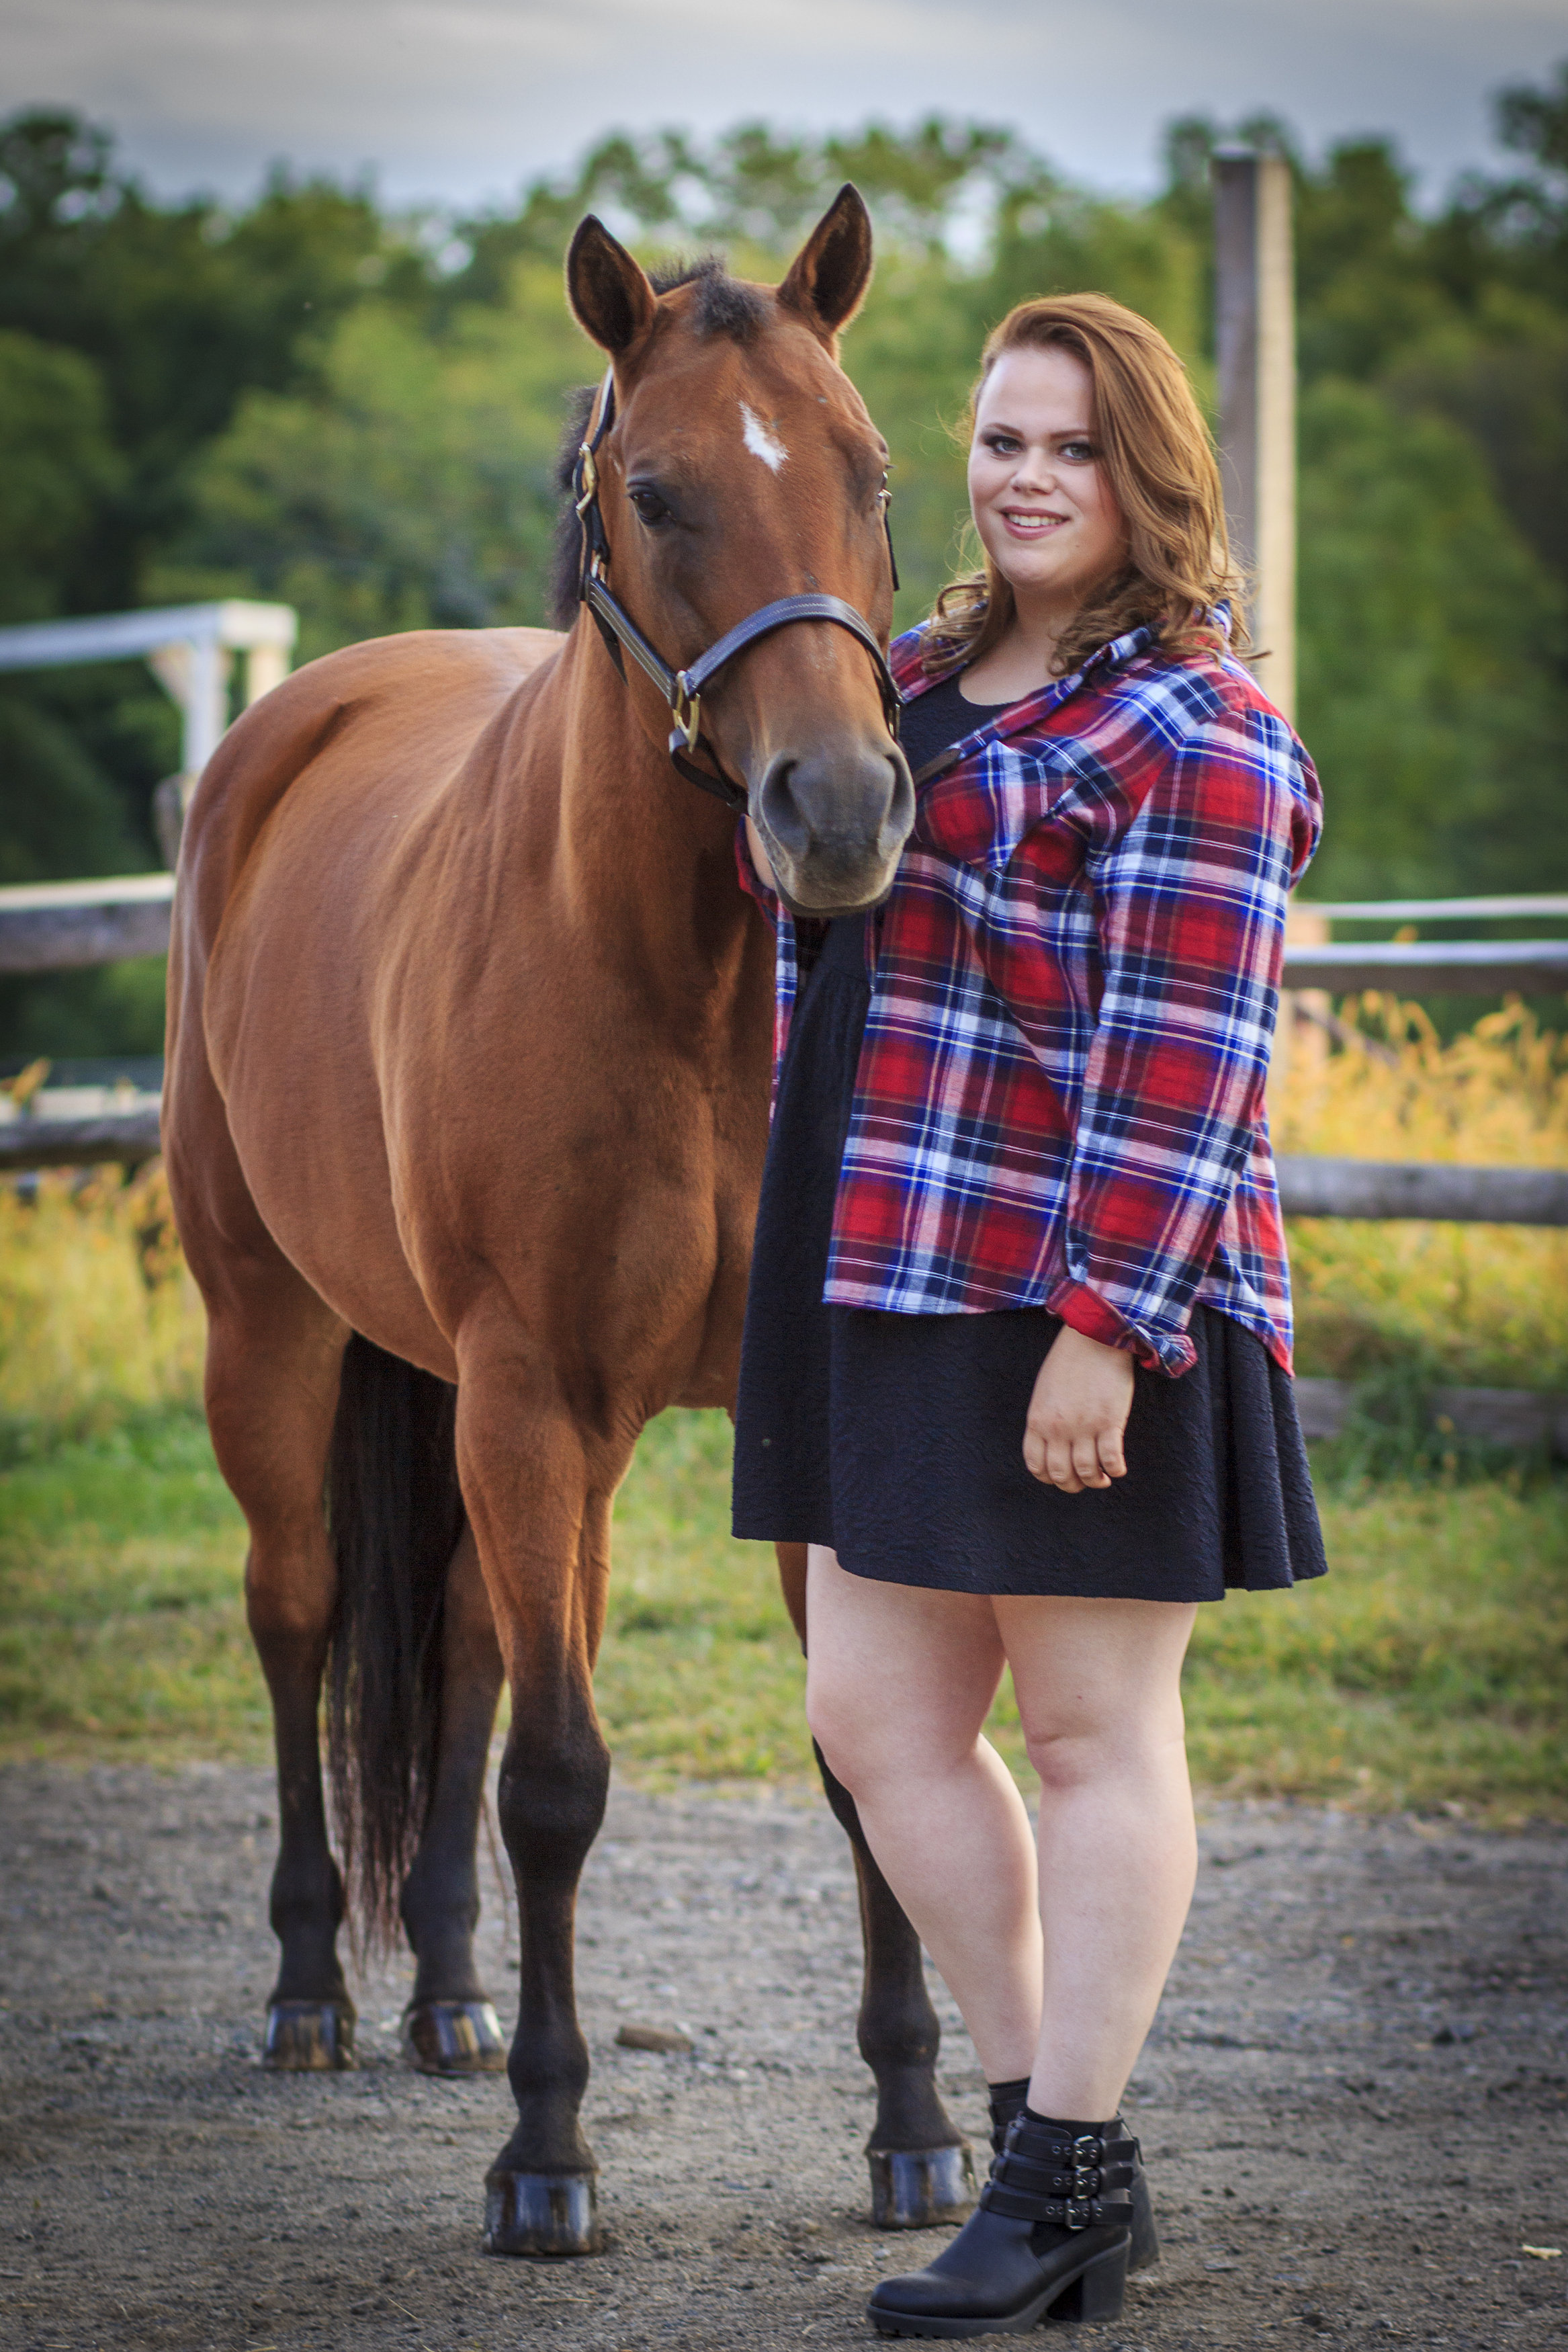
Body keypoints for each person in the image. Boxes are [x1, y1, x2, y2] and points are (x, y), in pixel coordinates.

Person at [732, 291, 1327, 2338]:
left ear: (1151, 475)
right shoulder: (897, 676)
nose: (1030, 477)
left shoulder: (1201, 730)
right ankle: (1047, 2144)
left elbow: (1194, 1058)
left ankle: (1064, 2169)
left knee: (1086, 1732)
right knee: (875, 1719)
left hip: (1083, 1282)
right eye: (1001, 440)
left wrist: (1110, 1320)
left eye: (1075, 446)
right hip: (890, 1260)